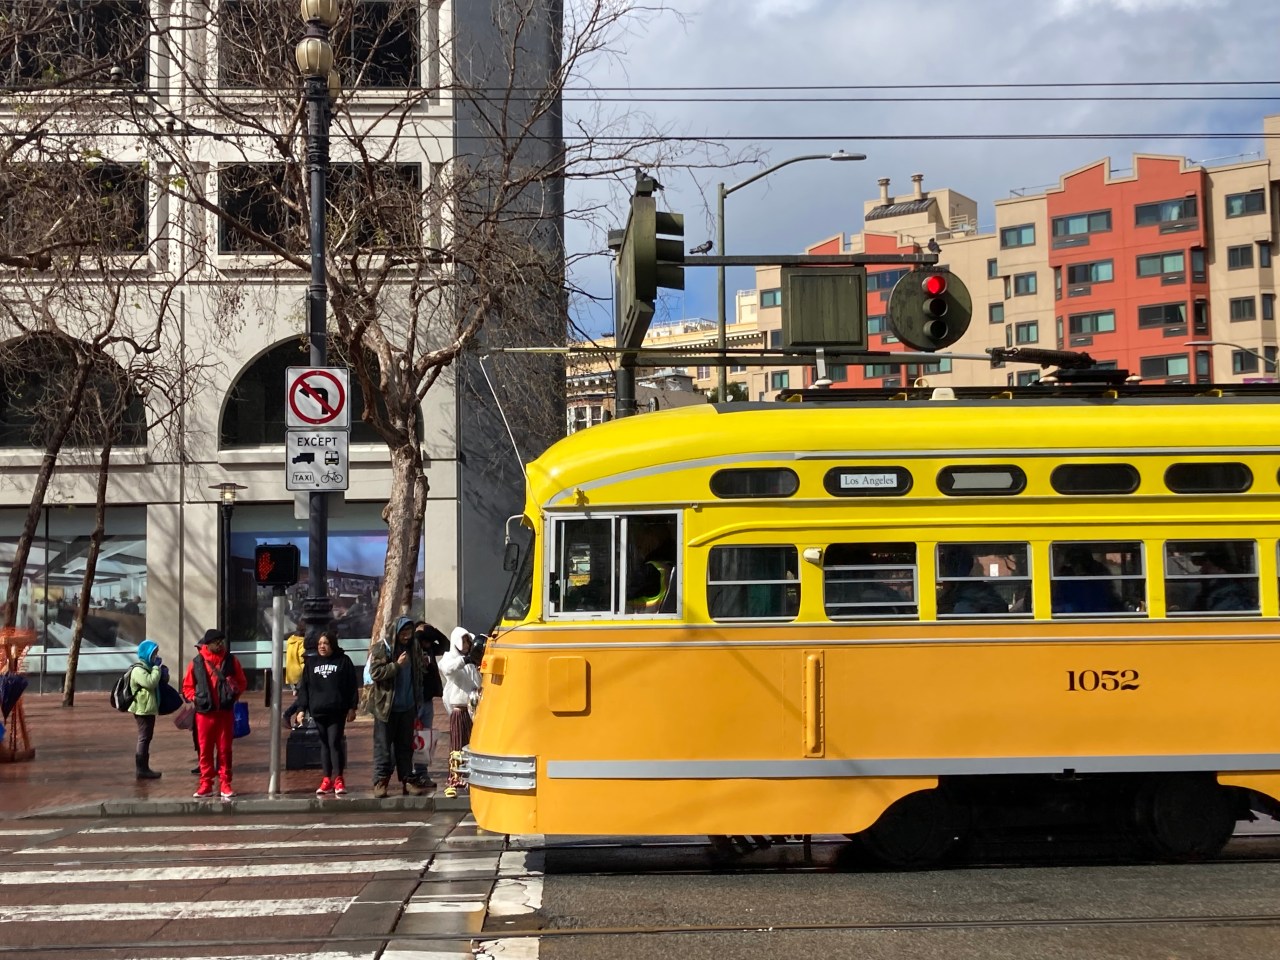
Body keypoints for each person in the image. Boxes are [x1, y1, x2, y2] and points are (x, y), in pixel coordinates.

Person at [366, 616, 429, 799]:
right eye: (403, 633)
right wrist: (396, 666)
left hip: (407, 706)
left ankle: (407, 780)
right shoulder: (382, 648)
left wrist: (423, 666)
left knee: (405, 747)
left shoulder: (414, 648)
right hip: (386, 708)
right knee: (383, 747)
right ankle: (380, 781)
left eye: (409, 633)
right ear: (396, 632)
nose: (406, 636)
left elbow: (418, 674)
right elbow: (376, 673)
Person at [182, 628, 247, 800]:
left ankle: (225, 783)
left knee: (225, 750)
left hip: (224, 712)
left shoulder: (231, 661)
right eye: (216, 642)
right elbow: (187, 686)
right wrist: (194, 698)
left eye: (221, 642)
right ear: (208, 644)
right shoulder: (196, 663)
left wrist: (233, 696)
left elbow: (241, 681)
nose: (220, 645)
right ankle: (206, 784)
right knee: (205, 751)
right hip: (204, 714)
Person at [295, 627, 359, 796]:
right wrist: (301, 709)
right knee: (324, 744)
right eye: (320, 644)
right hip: (318, 710)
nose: (322, 646)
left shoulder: (343, 661)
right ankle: (326, 779)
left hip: (337, 710)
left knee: (334, 743)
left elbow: (352, 685)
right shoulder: (311, 663)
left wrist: (352, 707)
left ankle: (338, 779)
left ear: (333, 644)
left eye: (326, 643)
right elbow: (305, 689)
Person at [439, 626, 483, 798]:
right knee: (457, 745)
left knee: (472, 745)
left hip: (473, 708)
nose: (466, 644)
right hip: (458, 709)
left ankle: (470, 778)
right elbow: (447, 669)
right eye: (464, 641)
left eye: (468, 641)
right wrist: (465, 660)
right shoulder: (449, 658)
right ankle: (454, 780)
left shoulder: (472, 662)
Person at [413, 621, 449, 786]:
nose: (427, 644)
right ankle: (409, 773)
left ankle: (422, 773)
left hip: (426, 699)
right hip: (412, 699)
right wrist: (418, 632)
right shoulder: (412, 648)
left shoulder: (430, 649)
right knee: (410, 736)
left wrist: (430, 630)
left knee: (424, 737)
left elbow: (446, 644)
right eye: (424, 640)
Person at [128, 639, 164, 780]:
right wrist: (156, 668)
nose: (155, 656)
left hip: (148, 708)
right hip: (142, 709)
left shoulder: (147, 667)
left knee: (147, 737)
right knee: (144, 737)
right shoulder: (138, 669)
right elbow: (150, 682)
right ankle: (141, 769)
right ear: (147, 654)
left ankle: (144, 768)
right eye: (154, 653)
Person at [936, 546, 1008, 616]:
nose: (941, 582)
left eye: (942, 575)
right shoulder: (980, 589)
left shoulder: (968, 597)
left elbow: (959, 621)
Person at [1051, 547, 1124, 615]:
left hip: (1099, 612)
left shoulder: (1099, 571)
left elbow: (1108, 594)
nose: (1078, 565)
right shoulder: (1065, 575)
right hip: (1073, 614)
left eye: (1081, 560)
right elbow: (1060, 597)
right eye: (1074, 561)